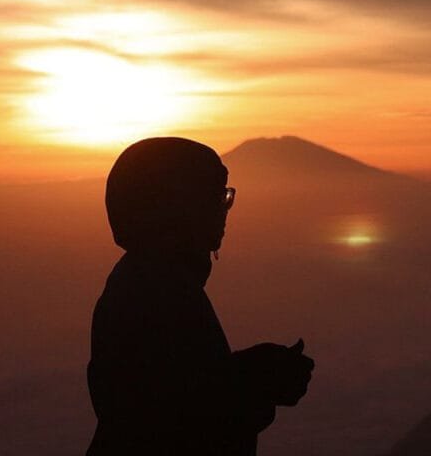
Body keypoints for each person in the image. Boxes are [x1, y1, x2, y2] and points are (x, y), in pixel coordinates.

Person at [87, 137, 314, 456]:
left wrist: (251, 370)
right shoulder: (160, 293)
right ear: (179, 207)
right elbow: (178, 424)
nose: (225, 208)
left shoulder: (145, 281)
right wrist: (258, 380)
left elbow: (181, 388)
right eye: (217, 196)